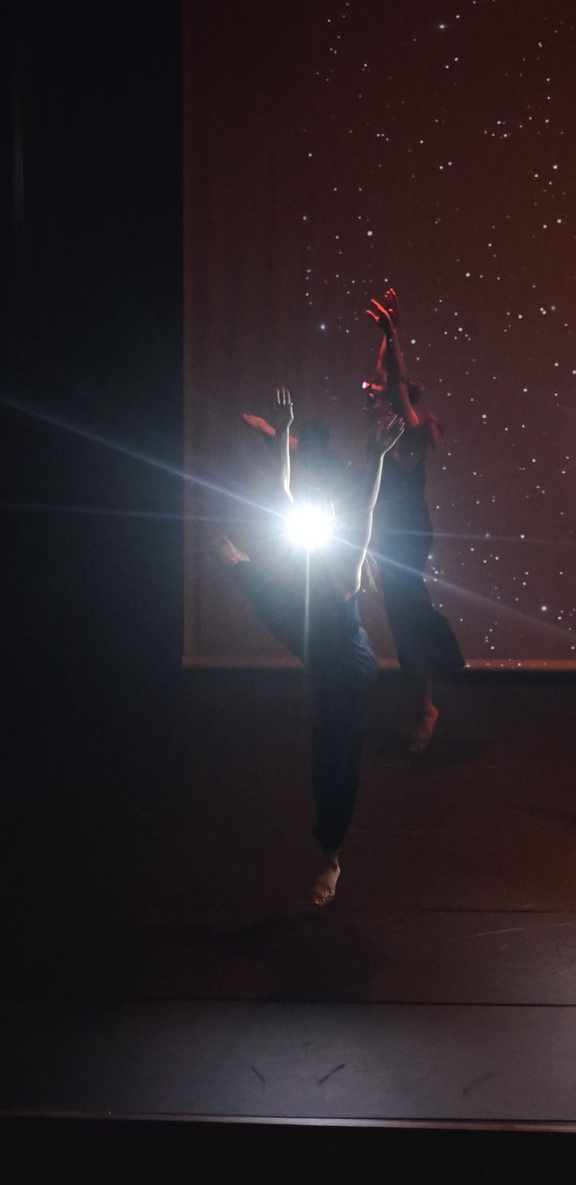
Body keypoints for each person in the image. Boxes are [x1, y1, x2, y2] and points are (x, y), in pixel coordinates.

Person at [217, 387, 405, 906]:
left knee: (334, 762)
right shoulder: (303, 542)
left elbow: (366, 507)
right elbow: (281, 491)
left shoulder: (345, 567)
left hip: (345, 664)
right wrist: (281, 433)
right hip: (309, 634)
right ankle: (330, 849)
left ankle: (331, 856)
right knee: (260, 581)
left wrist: (378, 457)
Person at [362, 289, 465, 752]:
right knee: (403, 618)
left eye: (382, 397)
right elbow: (387, 376)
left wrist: (391, 334)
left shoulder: (412, 434)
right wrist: (390, 335)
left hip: (406, 535)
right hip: (386, 533)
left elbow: (396, 384)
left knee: (408, 622)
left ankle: (425, 708)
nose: (372, 394)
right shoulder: (387, 428)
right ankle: (424, 704)